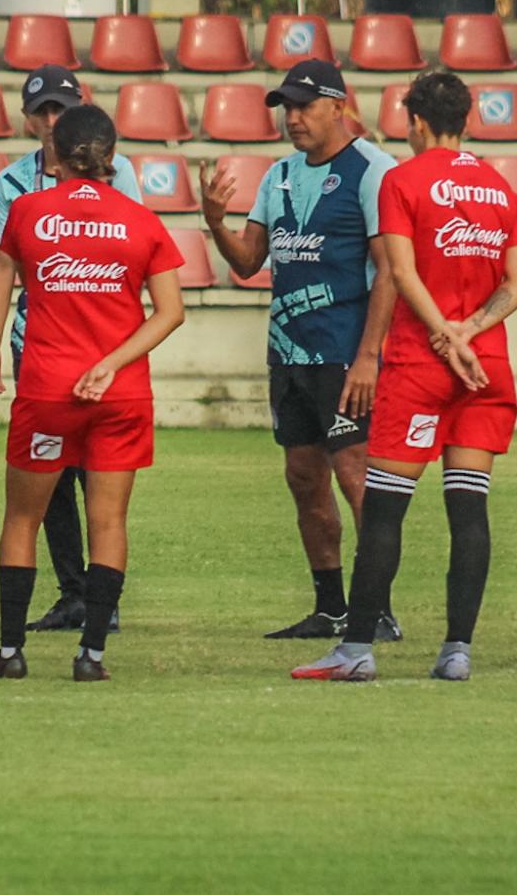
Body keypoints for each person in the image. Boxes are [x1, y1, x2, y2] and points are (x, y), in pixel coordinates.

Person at [293, 70, 517, 684]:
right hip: (485, 367)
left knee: (385, 510)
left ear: (417, 121)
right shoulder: (502, 190)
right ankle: (457, 651)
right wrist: (470, 333)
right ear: (466, 120)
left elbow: (399, 272)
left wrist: (444, 336)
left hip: (423, 363)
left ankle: (355, 650)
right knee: (469, 508)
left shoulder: (401, 180)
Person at [0, 106, 186, 682]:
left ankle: (11, 652)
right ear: (112, 156)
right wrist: (111, 363)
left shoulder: (28, 210)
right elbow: (171, 312)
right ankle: (91, 656)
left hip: (48, 388)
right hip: (120, 393)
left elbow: (2, 272)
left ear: (55, 155)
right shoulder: (141, 220)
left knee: (22, 517)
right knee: (108, 521)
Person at [200, 58, 398, 641]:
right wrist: (216, 223)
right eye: (286, 107)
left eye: (304, 106)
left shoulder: (372, 171)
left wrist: (369, 356)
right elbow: (248, 262)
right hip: (289, 355)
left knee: (356, 478)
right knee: (304, 478)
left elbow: (389, 271)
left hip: (345, 355)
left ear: (338, 106)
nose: (292, 118)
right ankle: (331, 607)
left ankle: (377, 610)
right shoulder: (278, 175)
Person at [0, 62, 143, 634]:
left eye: (61, 108)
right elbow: (4, 266)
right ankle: (75, 592)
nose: (52, 120)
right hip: (36, 342)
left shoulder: (119, 173)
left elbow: (128, 255)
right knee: (46, 477)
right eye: (42, 111)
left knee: (95, 474)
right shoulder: (13, 182)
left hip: (103, 346)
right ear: (27, 120)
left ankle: (100, 598)